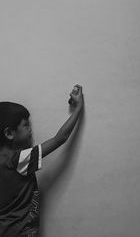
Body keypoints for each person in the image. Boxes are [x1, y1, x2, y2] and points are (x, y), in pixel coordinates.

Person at [0, 84, 84, 237]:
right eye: (26, 125)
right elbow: (60, 139)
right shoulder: (19, 159)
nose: (30, 129)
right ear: (9, 133)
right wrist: (78, 108)